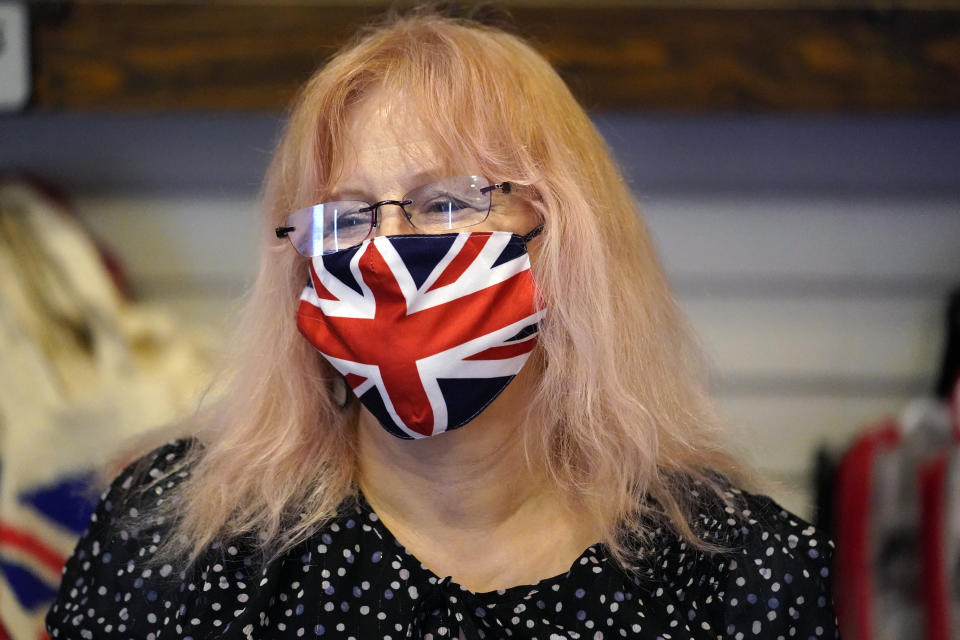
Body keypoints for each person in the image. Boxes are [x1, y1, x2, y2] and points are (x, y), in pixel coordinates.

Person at [46, 9, 839, 639]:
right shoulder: (176, 545)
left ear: (563, 232)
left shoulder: (741, 577)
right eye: (348, 217)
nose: (389, 250)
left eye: (447, 203)